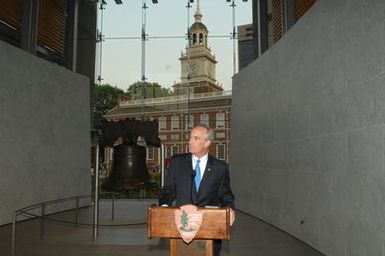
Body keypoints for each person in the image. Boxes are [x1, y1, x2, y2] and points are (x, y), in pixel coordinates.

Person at [159, 124, 235, 256]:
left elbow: (225, 195)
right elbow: (168, 189)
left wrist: (230, 208)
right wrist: (165, 207)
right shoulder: (177, 163)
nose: (190, 141)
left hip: (209, 228)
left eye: (196, 138)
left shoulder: (220, 168)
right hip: (182, 228)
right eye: (190, 137)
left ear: (207, 143)